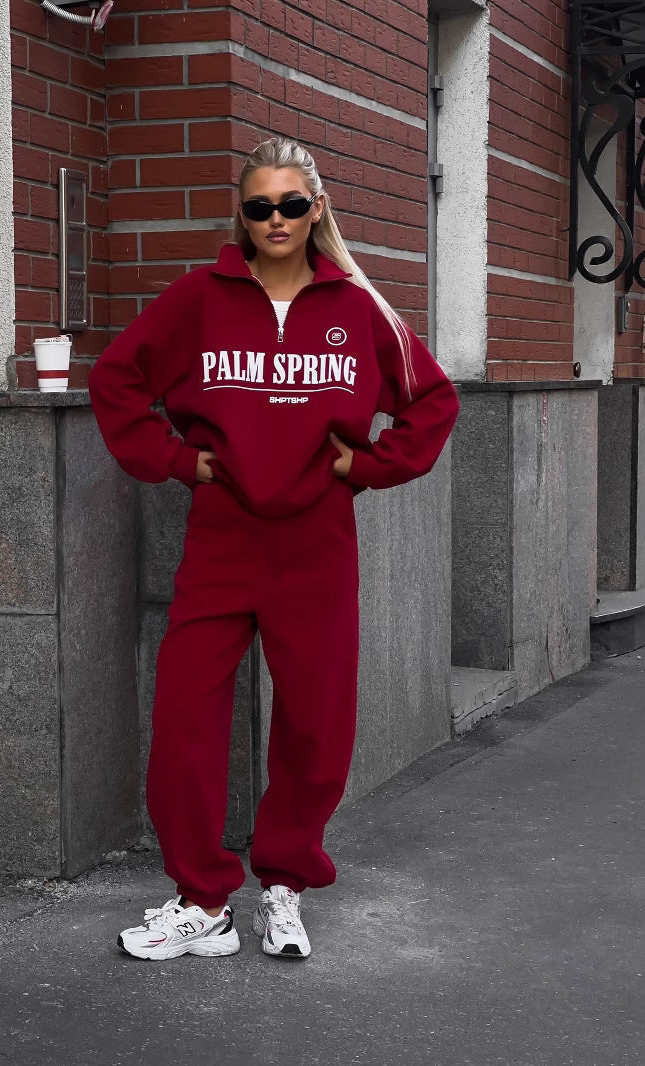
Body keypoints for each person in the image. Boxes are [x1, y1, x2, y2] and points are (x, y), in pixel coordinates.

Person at [88, 136, 459, 961]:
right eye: (260, 206)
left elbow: (432, 402)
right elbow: (116, 381)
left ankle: (283, 886)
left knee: (315, 723)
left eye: (293, 204)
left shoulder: (361, 311)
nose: (277, 219)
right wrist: (181, 460)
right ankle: (201, 900)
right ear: (243, 215)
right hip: (223, 541)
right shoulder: (198, 299)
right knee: (185, 717)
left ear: (317, 208)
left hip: (318, 544)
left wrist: (367, 466)